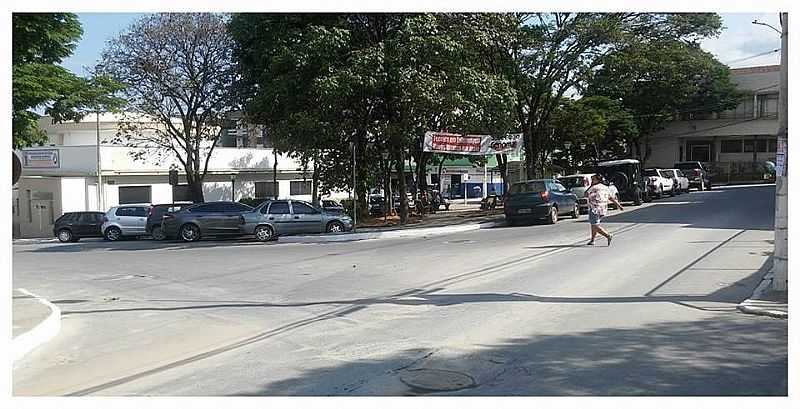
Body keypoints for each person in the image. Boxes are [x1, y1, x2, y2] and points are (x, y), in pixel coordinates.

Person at [584, 174, 623, 246]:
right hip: (603, 209)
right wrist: (618, 205)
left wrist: (591, 186)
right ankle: (592, 240)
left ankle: (608, 235)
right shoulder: (605, 187)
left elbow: (585, 194)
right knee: (594, 225)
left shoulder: (593, 187)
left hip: (594, 208)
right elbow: (610, 197)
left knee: (595, 225)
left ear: (597, 180)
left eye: (593, 179)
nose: (592, 181)